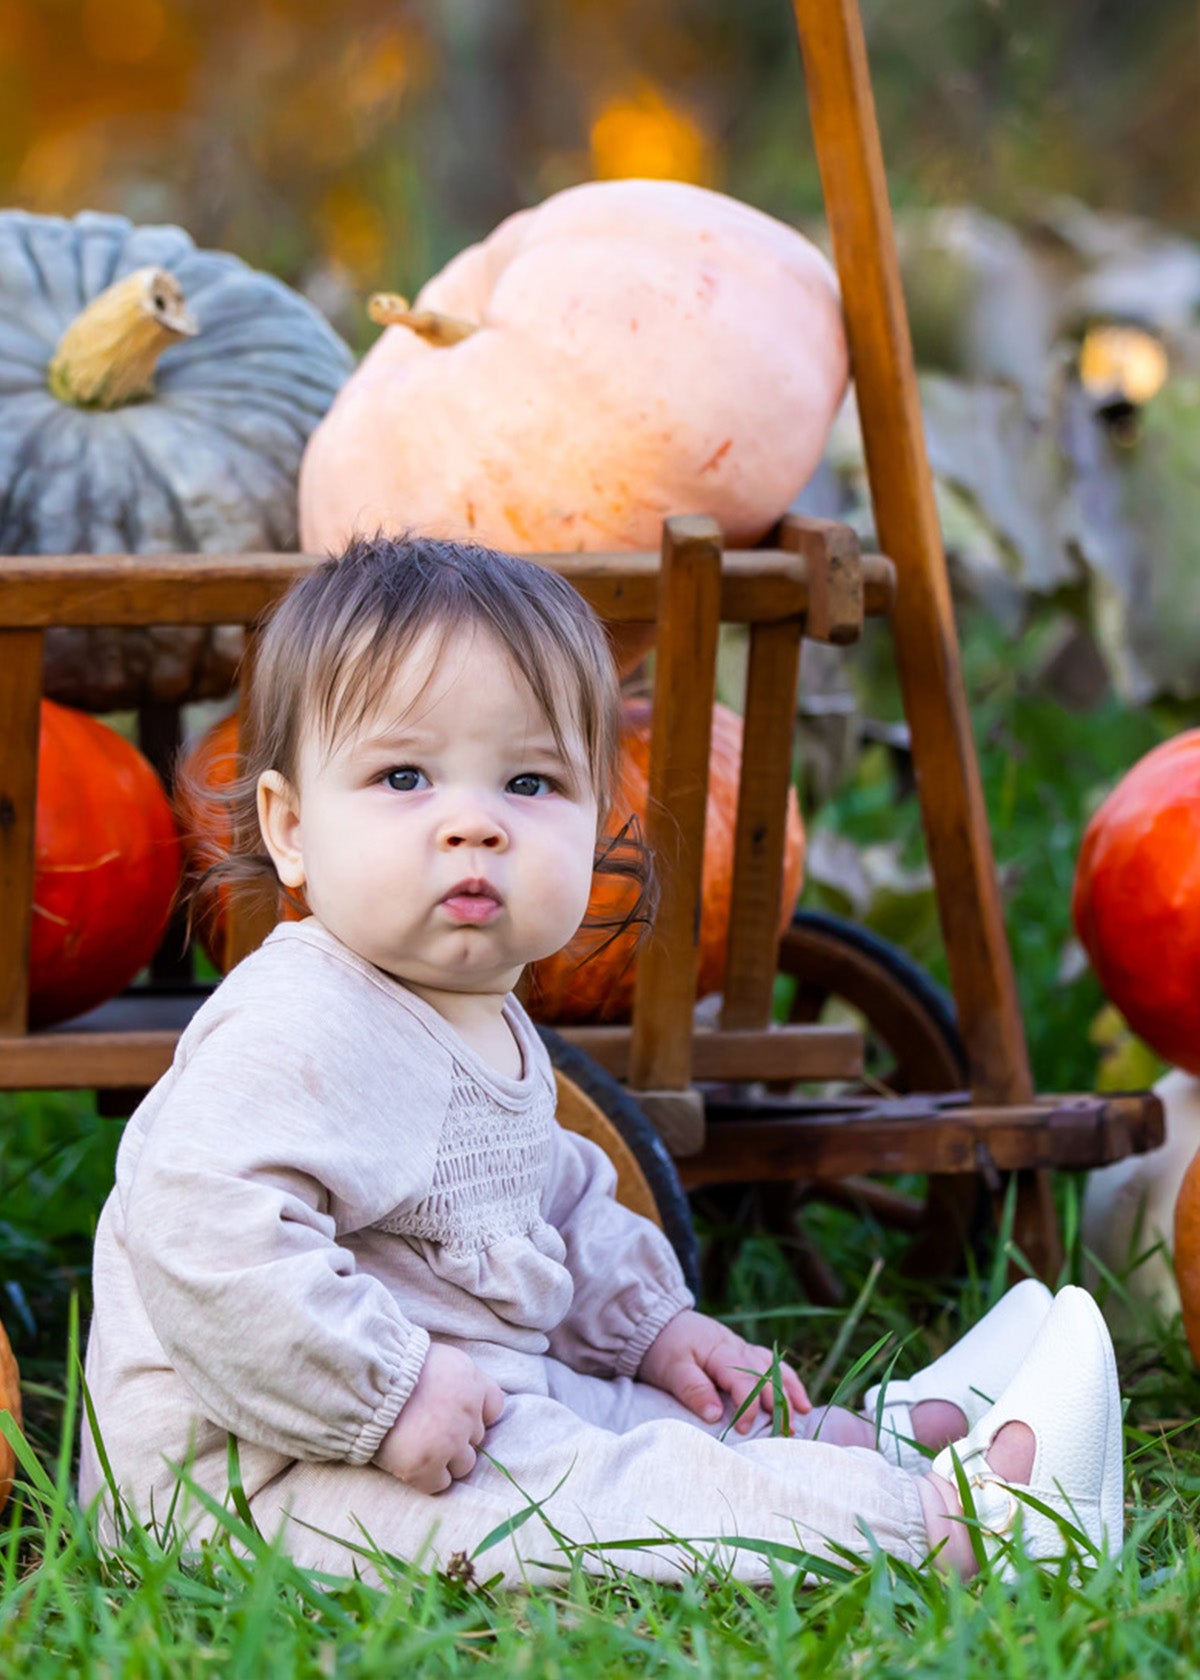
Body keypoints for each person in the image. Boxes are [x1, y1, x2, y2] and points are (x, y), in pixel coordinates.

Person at [81, 534, 1123, 1586]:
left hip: (461, 1396)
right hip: (261, 1479)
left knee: (634, 1421)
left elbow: (558, 1194)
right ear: (291, 828)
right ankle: (960, 1527)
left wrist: (652, 1328)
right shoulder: (298, 1019)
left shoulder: (472, 1008)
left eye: (530, 782)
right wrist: (383, 1391)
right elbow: (204, 1233)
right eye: (404, 776)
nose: (473, 824)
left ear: (597, 822)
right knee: (600, 1493)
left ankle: (868, 1444)